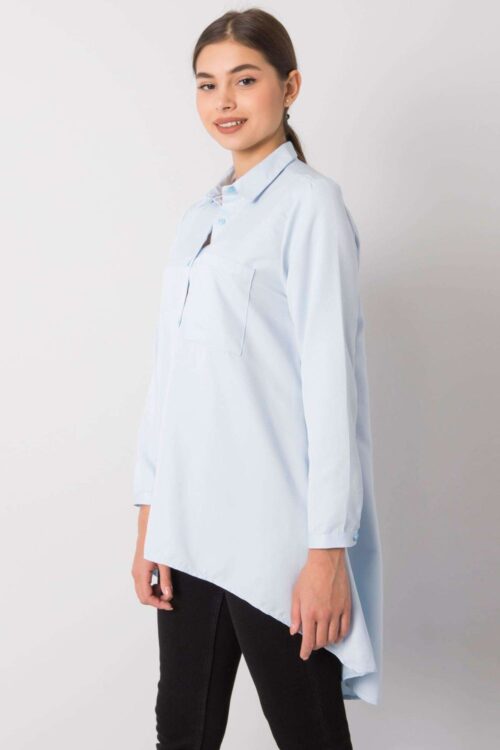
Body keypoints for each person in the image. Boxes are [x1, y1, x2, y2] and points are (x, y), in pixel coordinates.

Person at [131, 8, 383, 749]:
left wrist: (327, 553)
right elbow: (169, 382)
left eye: (245, 80)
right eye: (207, 84)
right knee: (180, 733)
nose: (225, 101)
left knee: (309, 734)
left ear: (289, 86)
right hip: (187, 531)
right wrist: (150, 521)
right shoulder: (198, 218)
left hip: (276, 538)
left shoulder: (310, 206)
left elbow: (333, 389)